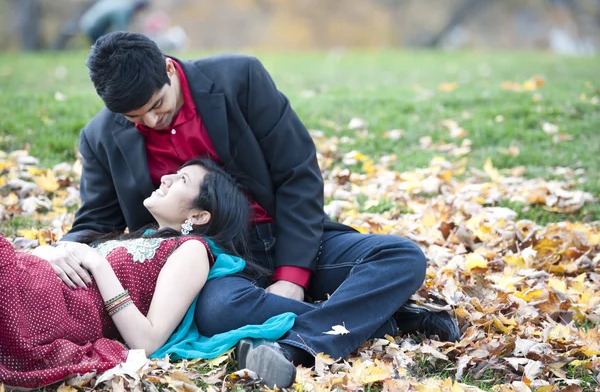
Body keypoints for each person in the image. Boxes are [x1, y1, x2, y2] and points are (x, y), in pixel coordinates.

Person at [45, 32, 460, 388]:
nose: (152, 120)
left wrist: (293, 278)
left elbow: (298, 173)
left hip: (283, 236)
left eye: (157, 104)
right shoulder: (99, 137)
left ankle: (296, 345)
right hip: (204, 264)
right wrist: (62, 248)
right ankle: (388, 319)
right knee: (217, 312)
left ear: (169, 69)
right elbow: (96, 218)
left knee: (400, 255)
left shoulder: (239, 78)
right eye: (136, 117)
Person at [0, 158, 297, 389]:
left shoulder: (192, 251)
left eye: (181, 179)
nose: (165, 178)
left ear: (198, 216)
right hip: (29, 279)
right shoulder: (142, 237)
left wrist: (98, 264)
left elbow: (149, 340)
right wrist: (46, 252)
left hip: (44, 309)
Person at [79, 0, 150, 44]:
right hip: (92, 25)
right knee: (101, 50)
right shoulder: (124, 9)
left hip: (88, 21)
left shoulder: (124, 1)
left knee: (103, 48)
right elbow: (121, 31)